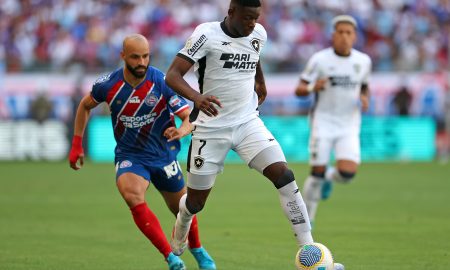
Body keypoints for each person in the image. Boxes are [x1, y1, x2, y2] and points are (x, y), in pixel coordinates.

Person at [164, 1, 342, 268]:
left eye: (255, 18)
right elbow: (172, 75)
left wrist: (260, 81)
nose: (252, 24)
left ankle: (309, 250)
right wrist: (196, 97)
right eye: (247, 18)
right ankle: (184, 217)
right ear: (231, 12)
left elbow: (253, 55)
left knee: (284, 175)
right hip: (211, 127)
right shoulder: (206, 34)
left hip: (247, 122)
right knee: (197, 202)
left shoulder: (258, 33)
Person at [68, 34, 216, 270]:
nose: (142, 62)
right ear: (123, 56)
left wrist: (181, 131)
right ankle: (171, 258)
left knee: (184, 208)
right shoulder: (108, 85)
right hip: (131, 156)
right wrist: (77, 144)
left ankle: (197, 251)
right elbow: (85, 105)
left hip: (163, 155)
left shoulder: (162, 81)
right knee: (132, 196)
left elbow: (188, 117)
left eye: (145, 56)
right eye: (135, 57)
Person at [294, 15, 372, 225]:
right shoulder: (320, 60)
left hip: (349, 124)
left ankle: (331, 177)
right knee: (316, 173)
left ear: (355, 36)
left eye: (349, 33)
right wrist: (313, 87)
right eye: (341, 32)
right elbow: (299, 89)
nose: (345, 37)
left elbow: (364, 85)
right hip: (323, 122)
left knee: (347, 174)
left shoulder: (363, 61)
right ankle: (307, 221)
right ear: (333, 35)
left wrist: (365, 98)